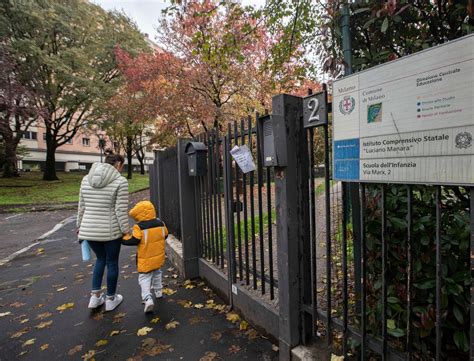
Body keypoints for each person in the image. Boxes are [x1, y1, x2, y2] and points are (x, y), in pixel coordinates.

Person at [77, 153, 130, 311]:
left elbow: (82, 206)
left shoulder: (86, 179)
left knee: (100, 259)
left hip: (89, 230)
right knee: (112, 262)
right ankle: (110, 299)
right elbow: (120, 210)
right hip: (110, 230)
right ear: (118, 164)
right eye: (122, 165)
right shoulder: (120, 181)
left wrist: (79, 225)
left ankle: (95, 297)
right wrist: (126, 230)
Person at [122, 200, 168, 313]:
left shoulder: (139, 227)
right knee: (157, 273)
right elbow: (165, 235)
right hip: (158, 256)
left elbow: (134, 240)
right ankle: (158, 292)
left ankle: (147, 298)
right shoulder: (160, 223)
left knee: (144, 278)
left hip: (145, 258)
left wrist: (123, 238)